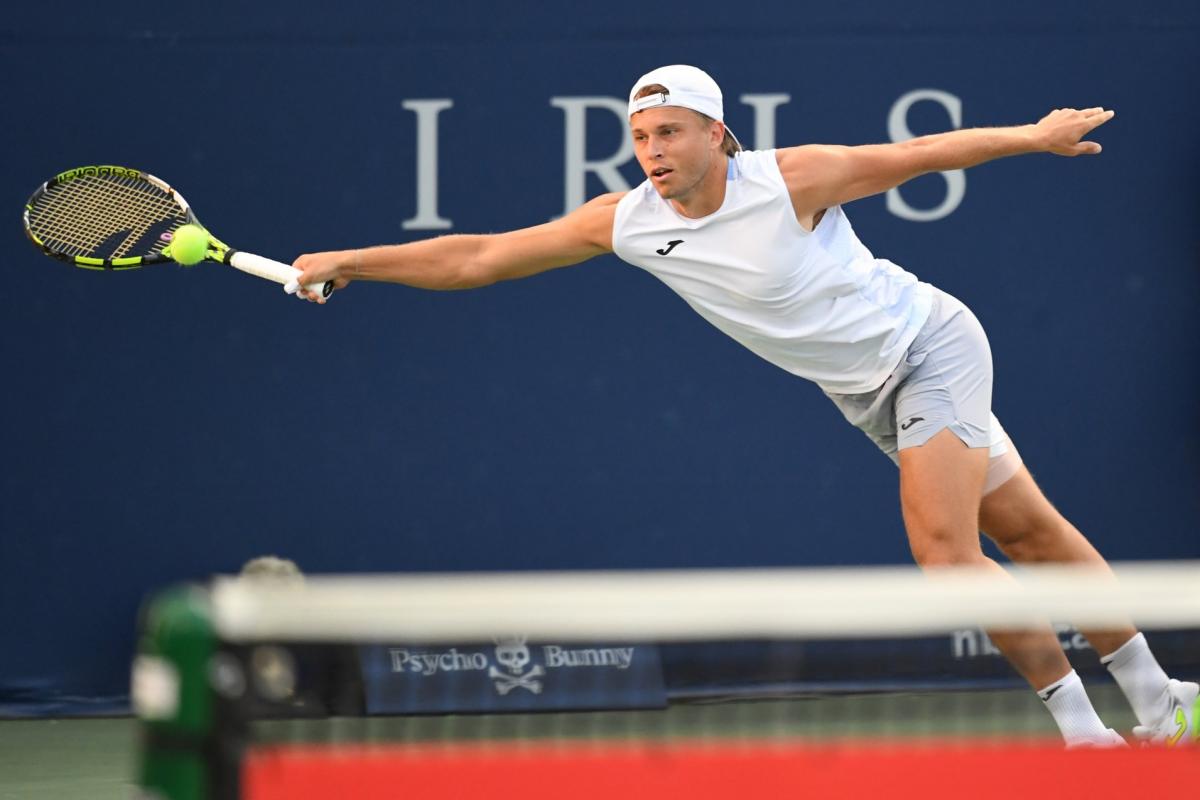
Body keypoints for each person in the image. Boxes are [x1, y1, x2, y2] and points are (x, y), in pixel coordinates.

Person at [292, 65, 1195, 746]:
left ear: (717, 134)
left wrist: (1034, 137)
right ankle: (1165, 703)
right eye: (641, 134)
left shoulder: (792, 179)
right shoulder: (628, 221)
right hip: (864, 391)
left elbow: (917, 154)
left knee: (945, 553)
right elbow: (480, 257)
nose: (652, 151)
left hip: (930, 346)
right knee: (1029, 532)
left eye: (671, 132)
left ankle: (1088, 737)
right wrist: (354, 262)